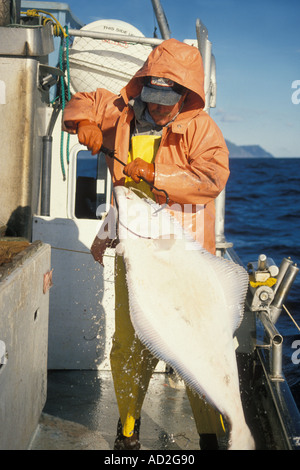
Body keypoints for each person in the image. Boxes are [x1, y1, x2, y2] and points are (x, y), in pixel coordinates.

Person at [63, 38, 230, 450]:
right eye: (151, 96)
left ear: (185, 94)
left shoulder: (201, 128)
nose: (156, 106)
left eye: (166, 100)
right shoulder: (120, 112)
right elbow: (81, 100)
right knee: (127, 344)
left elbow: (212, 178)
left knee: (195, 347)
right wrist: (82, 122)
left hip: (183, 255)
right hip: (136, 251)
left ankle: (213, 437)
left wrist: (158, 176)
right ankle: (128, 429)